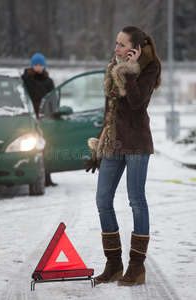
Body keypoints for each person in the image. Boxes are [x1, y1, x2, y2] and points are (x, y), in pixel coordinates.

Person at [84, 26, 161, 286]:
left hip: (137, 144)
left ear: (135, 49)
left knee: (136, 200)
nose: (115, 49)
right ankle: (113, 264)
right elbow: (111, 111)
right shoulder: (113, 64)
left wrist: (129, 71)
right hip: (114, 143)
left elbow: (137, 103)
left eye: (120, 44)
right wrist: (99, 147)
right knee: (102, 200)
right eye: (115, 43)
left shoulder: (149, 68)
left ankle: (136, 267)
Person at [22, 53, 57, 187]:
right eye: (36, 65)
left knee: (46, 148)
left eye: (41, 65)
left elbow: (53, 100)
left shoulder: (48, 81)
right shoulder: (25, 79)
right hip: (29, 119)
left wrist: (54, 113)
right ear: (32, 66)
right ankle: (31, 176)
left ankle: (47, 178)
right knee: (31, 148)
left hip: (45, 119)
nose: (39, 68)